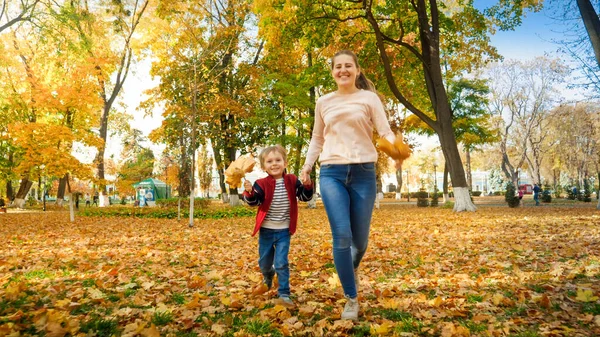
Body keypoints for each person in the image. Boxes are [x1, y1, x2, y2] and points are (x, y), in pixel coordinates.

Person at [299, 50, 402, 321]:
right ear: (332, 72)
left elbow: (384, 130)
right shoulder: (324, 101)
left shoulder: (368, 98)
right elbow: (317, 139)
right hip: (331, 172)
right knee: (342, 236)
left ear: (357, 70)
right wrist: (307, 166)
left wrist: (396, 150)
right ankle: (351, 298)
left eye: (348, 66)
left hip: (363, 174)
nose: (343, 70)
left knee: (361, 242)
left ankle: (349, 267)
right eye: (338, 67)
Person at [242, 145, 314, 308]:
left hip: (284, 230)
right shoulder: (261, 183)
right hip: (266, 230)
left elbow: (304, 196)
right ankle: (268, 275)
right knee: (264, 263)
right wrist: (249, 192)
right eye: (269, 161)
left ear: (285, 162)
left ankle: (284, 293)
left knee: (281, 262)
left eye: (278, 160)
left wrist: (307, 184)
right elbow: (255, 202)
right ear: (263, 166)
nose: (274, 164)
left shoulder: (292, 180)